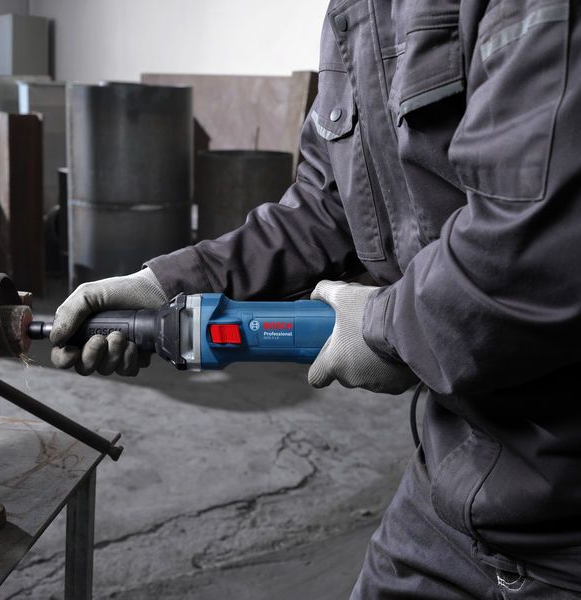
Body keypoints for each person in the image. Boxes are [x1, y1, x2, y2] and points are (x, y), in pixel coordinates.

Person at [51, 0, 581, 596]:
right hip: (455, 473)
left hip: (564, 512)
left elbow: (532, 247)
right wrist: (163, 285)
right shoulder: (353, 15)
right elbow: (324, 208)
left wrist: (383, 329)